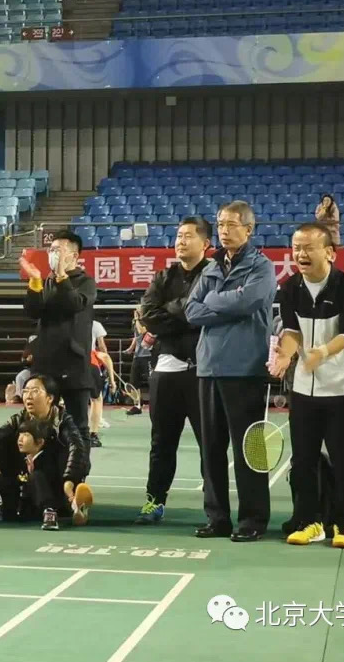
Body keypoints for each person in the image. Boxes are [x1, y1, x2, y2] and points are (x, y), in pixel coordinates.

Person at [185, 201, 277, 542]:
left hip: (245, 368)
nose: (224, 230)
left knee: (248, 449)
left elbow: (248, 302)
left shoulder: (262, 267)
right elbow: (191, 311)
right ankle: (217, 517)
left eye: (231, 225)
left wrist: (214, 301)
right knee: (211, 449)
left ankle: (253, 519)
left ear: (248, 230)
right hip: (209, 367)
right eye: (221, 224)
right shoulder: (211, 267)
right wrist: (227, 302)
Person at [269, 223, 344, 549]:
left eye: (308, 247)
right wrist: (286, 354)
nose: (301, 254)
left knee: (343, 461)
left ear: (329, 252)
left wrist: (319, 354)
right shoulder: (289, 288)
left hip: (343, 388)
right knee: (303, 460)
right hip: (304, 389)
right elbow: (292, 330)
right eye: (296, 247)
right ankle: (309, 521)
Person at [0, 375, 92, 529]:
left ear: (50, 398)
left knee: (41, 473)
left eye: (35, 391)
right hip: (22, 483)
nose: (28, 396)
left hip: (55, 483)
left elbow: (77, 449)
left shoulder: (62, 423)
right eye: (25, 391)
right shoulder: (18, 420)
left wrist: (69, 480)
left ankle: (69, 505)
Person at [136, 216, 211, 524]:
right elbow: (148, 315)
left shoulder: (214, 275)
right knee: (161, 442)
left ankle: (214, 506)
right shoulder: (163, 276)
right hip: (166, 370)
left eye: (188, 236)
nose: (181, 241)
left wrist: (170, 311)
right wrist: (186, 313)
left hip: (203, 370)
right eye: (179, 235)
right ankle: (154, 501)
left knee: (210, 442)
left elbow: (208, 312)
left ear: (205, 243)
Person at [21, 229, 97, 448]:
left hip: (73, 364)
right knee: (38, 422)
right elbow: (33, 311)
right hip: (45, 363)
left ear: (74, 255)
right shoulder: (47, 281)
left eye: (59, 250)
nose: (54, 254)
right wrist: (35, 281)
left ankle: (78, 468)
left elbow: (74, 304)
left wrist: (63, 276)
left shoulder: (86, 282)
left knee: (78, 426)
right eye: (51, 250)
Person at [88, 320, 117, 448]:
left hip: (68, 364)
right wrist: (112, 381)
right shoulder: (95, 324)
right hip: (90, 363)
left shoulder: (66, 321)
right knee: (96, 399)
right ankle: (93, 436)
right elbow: (104, 351)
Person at [123, 309, 153, 415]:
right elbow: (136, 336)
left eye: (139, 308)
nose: (137, 310)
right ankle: (137, 405)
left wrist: (136, 319)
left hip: (148, 356)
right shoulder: (135, 322)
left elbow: (142, 331)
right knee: (134, 382)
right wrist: (131, 349)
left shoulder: (148, 320)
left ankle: (155, 404)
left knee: (151, 381)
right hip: (137, 356)